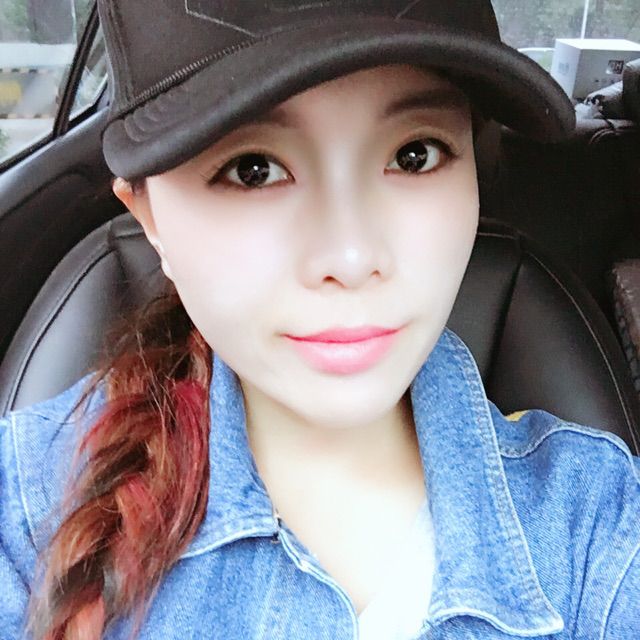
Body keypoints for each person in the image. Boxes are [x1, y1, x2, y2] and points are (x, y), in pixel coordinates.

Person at [1, 1, 638, 639]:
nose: (352, 259)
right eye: (253, 171)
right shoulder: (27, 509)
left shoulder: (595, 521)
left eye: (415, 154)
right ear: (149, 218)